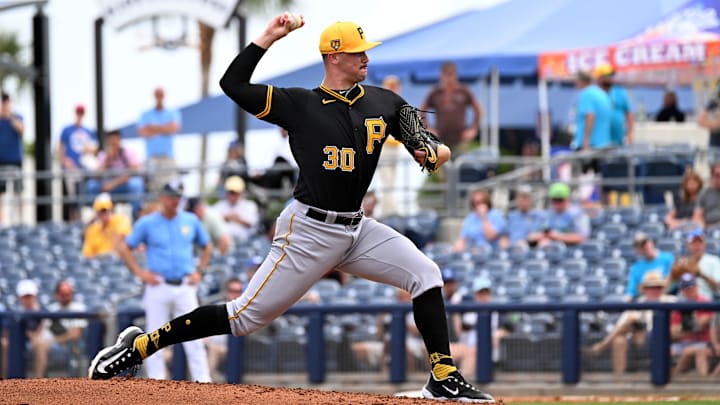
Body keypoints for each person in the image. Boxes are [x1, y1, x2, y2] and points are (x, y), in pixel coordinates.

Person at [89, 15, 493, 403]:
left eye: (366, 51)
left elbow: (428, 142)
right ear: (334, 57)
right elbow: (232, 84)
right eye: (357, 52)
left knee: (426, 273)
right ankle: (139, 346)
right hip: (309, 231)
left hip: (357, 228)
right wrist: (268, 38)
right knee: (244, 318)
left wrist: (435, 152)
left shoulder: (385, 102)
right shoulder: (299, 104)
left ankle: (443, 378)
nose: (365, 58)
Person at [111, 179, 213, 382]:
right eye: (171, 196)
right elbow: (124, 248)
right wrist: (140, 273)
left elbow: (207, 246)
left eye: (178, 197)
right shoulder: (147, 223)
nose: (174, 201)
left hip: (185, 285)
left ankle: (203, 381)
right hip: (158, 286)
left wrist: (200, 270)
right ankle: (157, 382)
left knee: (194, 335)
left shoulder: (190, 220)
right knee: (155, 336)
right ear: (162, 197)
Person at [588, 271, 676, 376]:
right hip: (640, 341)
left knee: (632, 319)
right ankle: (619, 380)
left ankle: (601, 346)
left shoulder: (671, 301)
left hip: (663, 337)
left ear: (662, 289)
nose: (654, 290)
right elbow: (621, 325)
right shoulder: (638, 304)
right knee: (619, 339)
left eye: (657, 287)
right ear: (645, 289)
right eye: (650, 287)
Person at [420, 61, 483, 155]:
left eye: (451, 74)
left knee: (461, 166)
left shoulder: (463, 91)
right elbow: (422, 110)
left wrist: (473, 129)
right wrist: (428, 128)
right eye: (446, 75)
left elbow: (478, 110)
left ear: (456, 75)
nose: (449, 78)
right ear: (441, 76)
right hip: (440, 139)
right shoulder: (435, 93)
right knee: (440, 166)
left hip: (460, 139)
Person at [455, 278, 511, 374]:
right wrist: (455, 312)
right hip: (465, 347)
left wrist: (498, 334)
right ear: (475, 295)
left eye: (486, 293)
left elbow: (508, 328)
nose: (483, 296)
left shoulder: (497, 311)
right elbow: (459, 333)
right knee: (433, 351)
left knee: (472, 353)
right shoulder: (467, 311)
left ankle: (460, 384)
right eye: (480, 293)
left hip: (485, 350)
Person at [86, 129, 145, 219]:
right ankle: (96, 214)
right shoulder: (103, 155)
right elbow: (97, 175)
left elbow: (134, 170)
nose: (113, 144)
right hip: (106, 186)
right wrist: (107, 159)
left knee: (136, 184)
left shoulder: (128, 153)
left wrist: (113, 183)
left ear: (119, 140)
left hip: (123, 185)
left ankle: (136, 215)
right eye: (110, 141)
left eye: (115, 140)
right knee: (91, 185)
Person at [57, 103, 98, 222]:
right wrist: (65, 161)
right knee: (73, 198)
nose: (80, 115)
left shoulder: (89, 130)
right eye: (78, 112)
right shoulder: (67, 129)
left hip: (85, 169)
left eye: (82, 112)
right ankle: (74, 220)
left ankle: (85, 220)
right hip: (72, 168)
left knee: (85, 195)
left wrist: (88, 150)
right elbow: (60, 146)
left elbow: (94, 148)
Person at [137, 86, 181, 191]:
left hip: (168, 158)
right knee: (153, 189)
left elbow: (174, 129)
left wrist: (153, 127)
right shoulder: (145, 114)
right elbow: (143, 132)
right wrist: (164, 128)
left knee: (170, 188)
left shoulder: (172, 112)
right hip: (151, 158)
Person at [670, 273, 713, 377]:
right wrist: (690, 328)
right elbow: (673, 333)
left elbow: (700, 325)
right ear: (681, 289)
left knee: (691, 351)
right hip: (683, 343)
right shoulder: (679, 305)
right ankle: (664, 381)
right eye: (686, 287)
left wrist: (683, 329)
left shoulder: (706, 302)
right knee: (667, 350)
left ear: (697, 286)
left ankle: (675, 380)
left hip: (703, 343)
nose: (689, 289)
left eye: (691, 286)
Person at [527, 182, 590, 247]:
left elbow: (582, 237)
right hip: (552, 246)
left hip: (571, 250)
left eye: (560, 200)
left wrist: (559, 236)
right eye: (554, 200)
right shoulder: (550, 213)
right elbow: (539, 232)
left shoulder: (578, 214)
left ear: (568, 198)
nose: (557, 203)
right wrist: (541, 235)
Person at [46, 280, 89, 376]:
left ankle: (75, 383)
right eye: (62, 294)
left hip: (72, 343)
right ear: (56, 294)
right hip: (54, 343)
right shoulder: (51, 310)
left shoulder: (79, 308)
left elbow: (76, 334)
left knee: (74, 346)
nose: (65, 297)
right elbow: (45, 331)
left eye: (68, 294)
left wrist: (55, 340)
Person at [205, 277, 244, 382]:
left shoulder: (246, 310)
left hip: (232, 349)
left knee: (214, 349)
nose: (235, 294)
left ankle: (205, 382)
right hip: (212, 344)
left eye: (238, 291)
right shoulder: (218, 307)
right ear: (227, 292)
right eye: (232, 291)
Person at [376, 75, 402, 216]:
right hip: (385, 146)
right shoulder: (383, 103)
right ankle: (389, 210)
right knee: (387, 180)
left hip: (394, 147)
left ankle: (390, 208)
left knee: (392, 180)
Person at [14, 279, 51, 377]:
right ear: (19, 297)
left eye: (29, 296)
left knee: (40, 343)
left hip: (39, 340)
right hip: (20, 341)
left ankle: (38, 381)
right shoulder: (16, 312)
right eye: (25, 297)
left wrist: (34, 336)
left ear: (35, 296)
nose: (27, 299)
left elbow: (44, 328)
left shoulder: (42, 310)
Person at [625, 231, 675, 301]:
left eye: (645, 243)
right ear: (637, 250)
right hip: (646, 301)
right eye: (640, 246)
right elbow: (631, 293)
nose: (644, 247)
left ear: (651, 242)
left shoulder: (668, 258)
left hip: (667, 298)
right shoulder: (636, 268)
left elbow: (675, 282)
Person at [593, 63, 634, 146]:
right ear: (599, 78)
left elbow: (629, 113)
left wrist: (630, 134)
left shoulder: (620, 92)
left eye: (611, 76)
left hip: (617, 140)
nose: (610, 78)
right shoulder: (593, 94)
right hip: (598, 142)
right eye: (607, 76)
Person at [81, 193, 132, 258]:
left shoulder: (121, 220)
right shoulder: (92, 229)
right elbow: (87, 254)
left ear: (111, 209)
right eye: (100, 211)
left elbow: (120, 236)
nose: (103, 213)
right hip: (99, 263)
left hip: (118, 262)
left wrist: (109, 255)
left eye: (105, 210)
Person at [213, 176, 260, 244]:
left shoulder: (250, 205)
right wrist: (228, 217)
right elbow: (212, 222)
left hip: (245, 243)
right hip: (223, 242)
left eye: (236, 193)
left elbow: (251, 223)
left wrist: (235, 219)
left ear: (241, 192)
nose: (233, 196)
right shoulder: (219, 205)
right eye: (231, 192)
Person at [0, 92, 24, 224]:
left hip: (15, 161)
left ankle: (19, 221)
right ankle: (1, 222)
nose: (4, 104)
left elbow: (21, 129)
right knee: (1, 195)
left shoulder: (17, 117)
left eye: (6, 101)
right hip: (0, 162)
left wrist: (10, 116)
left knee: (18, 192)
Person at [574, 70, 612, 151]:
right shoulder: (602, 93)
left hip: (590, 145)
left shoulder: (586, 93)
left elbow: (590, 116)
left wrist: (586, 142)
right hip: (603, 142)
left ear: (580, 81)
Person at [684, 229, 720, 299]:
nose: (697, 246)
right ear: (688, 245)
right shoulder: (683, 262)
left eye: (699, 242)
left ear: (704, 244)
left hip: (705, 302)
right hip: (684, 302)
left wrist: (701, 275)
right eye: (693, 243)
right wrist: (673, 275)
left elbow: (718, 286)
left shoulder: (714, 261)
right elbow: (670, 288)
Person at [692, 162, 720, 230]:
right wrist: (702, 227)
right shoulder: (704, 193)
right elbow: (697, 216)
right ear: (712, 176)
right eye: (717, 175)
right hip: (710, 230)